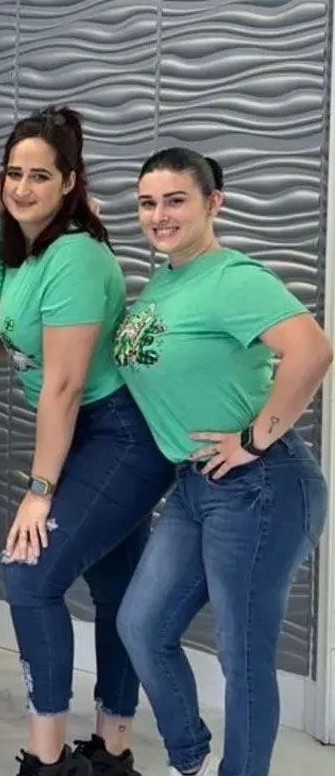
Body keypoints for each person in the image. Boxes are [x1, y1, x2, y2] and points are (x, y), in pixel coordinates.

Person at [114, 148, 330, 776]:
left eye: (176, 199)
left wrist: (254, 440)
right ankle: (190, 757)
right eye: (148, 202)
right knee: (142, 624)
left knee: (242, 657)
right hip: (195, 482)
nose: (159, 214)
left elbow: (311, 351)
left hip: (262, 483)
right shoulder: (165, 279)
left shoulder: (232, 276)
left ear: (214, 203)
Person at [0, 107, 172, 776]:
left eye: (41, 175)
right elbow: (30, 346)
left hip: (118, 436)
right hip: (88, 433)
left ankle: (47, 757)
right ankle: (112, 753)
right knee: (117, 595)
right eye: (15, 173)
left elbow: (61, 388)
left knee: (27, 573)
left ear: (69, 184)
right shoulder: (26, 251)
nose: (22, 186)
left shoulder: (76, 256)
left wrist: (39, 491)